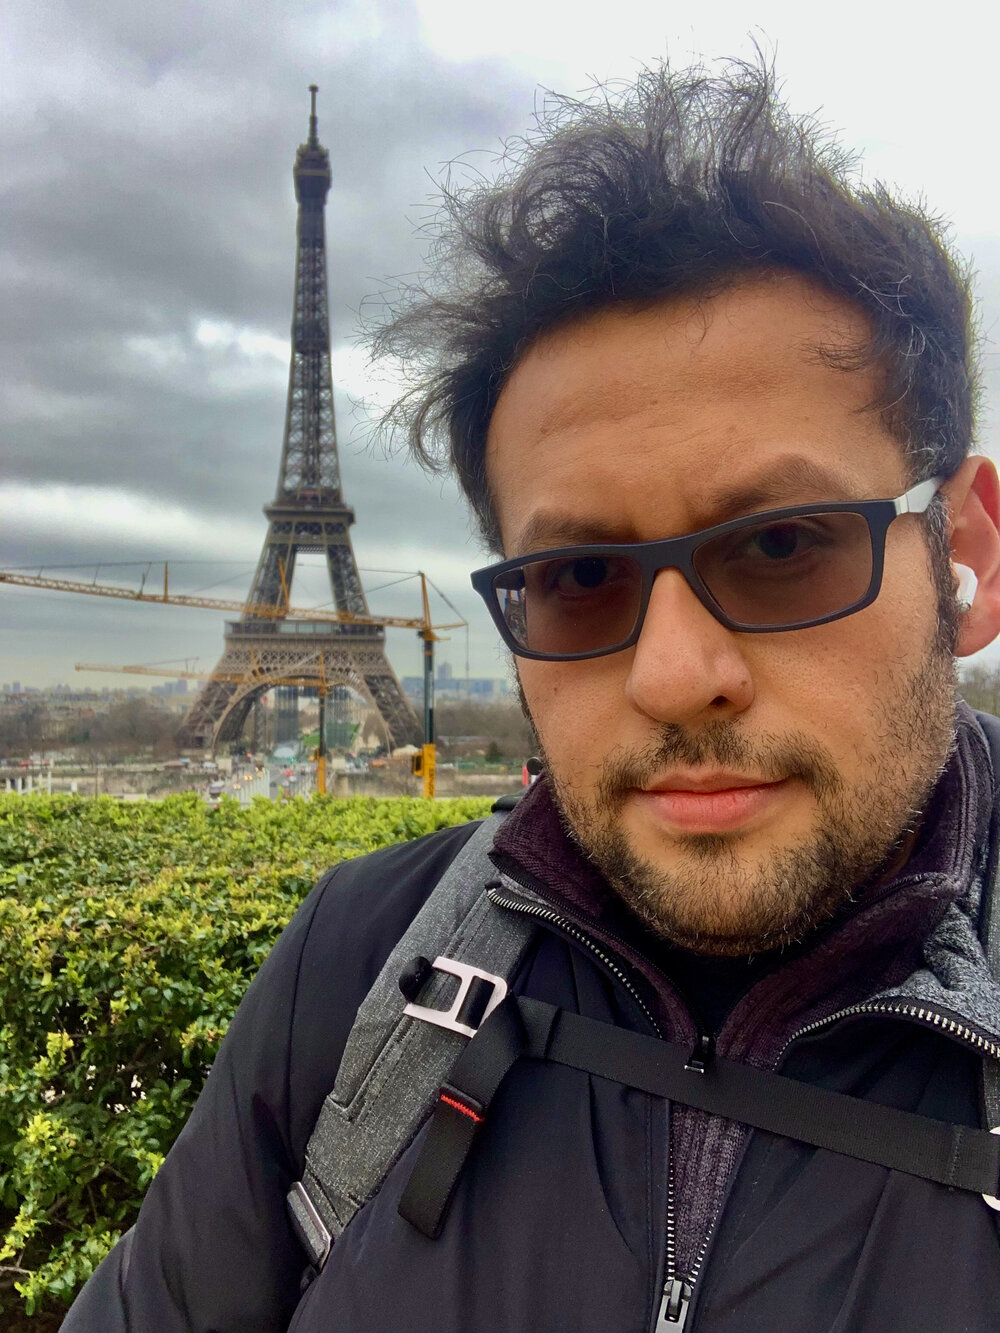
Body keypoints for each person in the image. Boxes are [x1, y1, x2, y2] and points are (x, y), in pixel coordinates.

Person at [64, 59, 1000, 1332]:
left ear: (966, 560)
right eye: (577, 577)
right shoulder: (354, 962)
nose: (676, 674)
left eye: (783, 546)